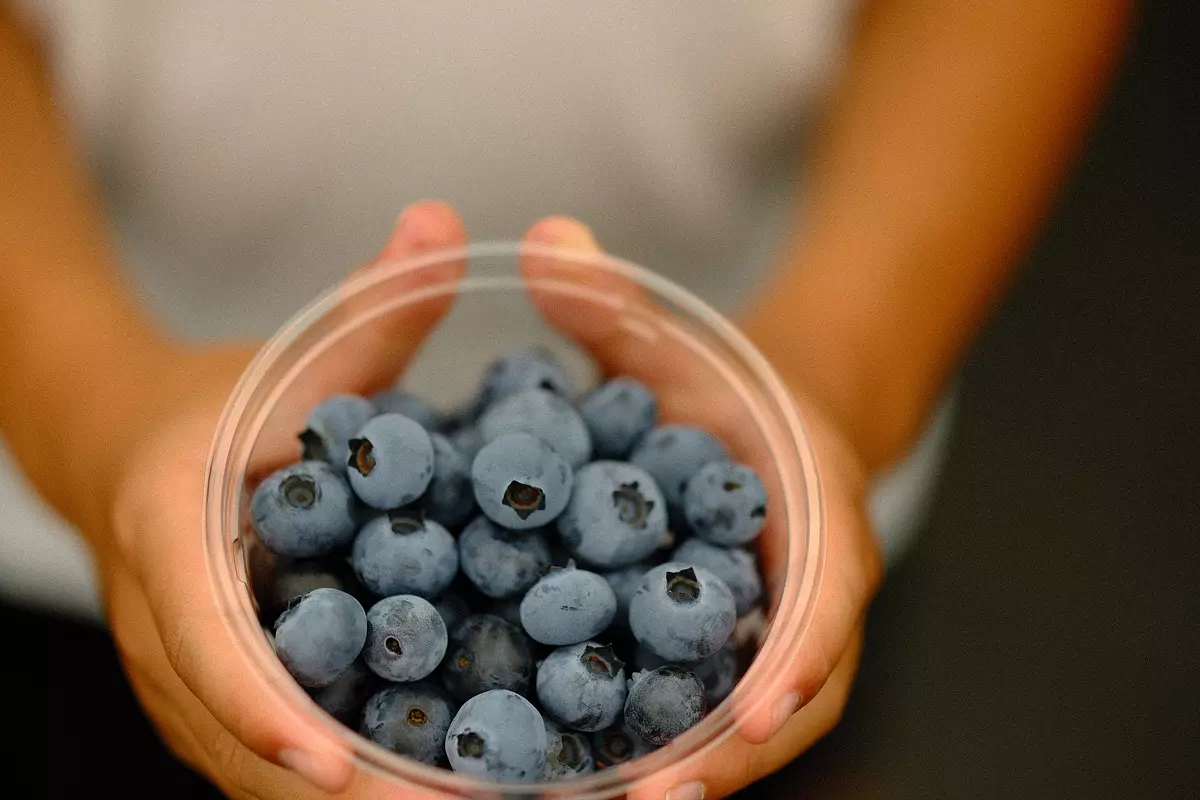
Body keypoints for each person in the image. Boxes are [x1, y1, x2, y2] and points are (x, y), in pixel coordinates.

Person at [0, 2, 1130, 798]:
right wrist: (93, 403)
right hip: (97, 499)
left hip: (803, 427)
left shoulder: (709, 522)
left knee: (783, 713)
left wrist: (837, 363)